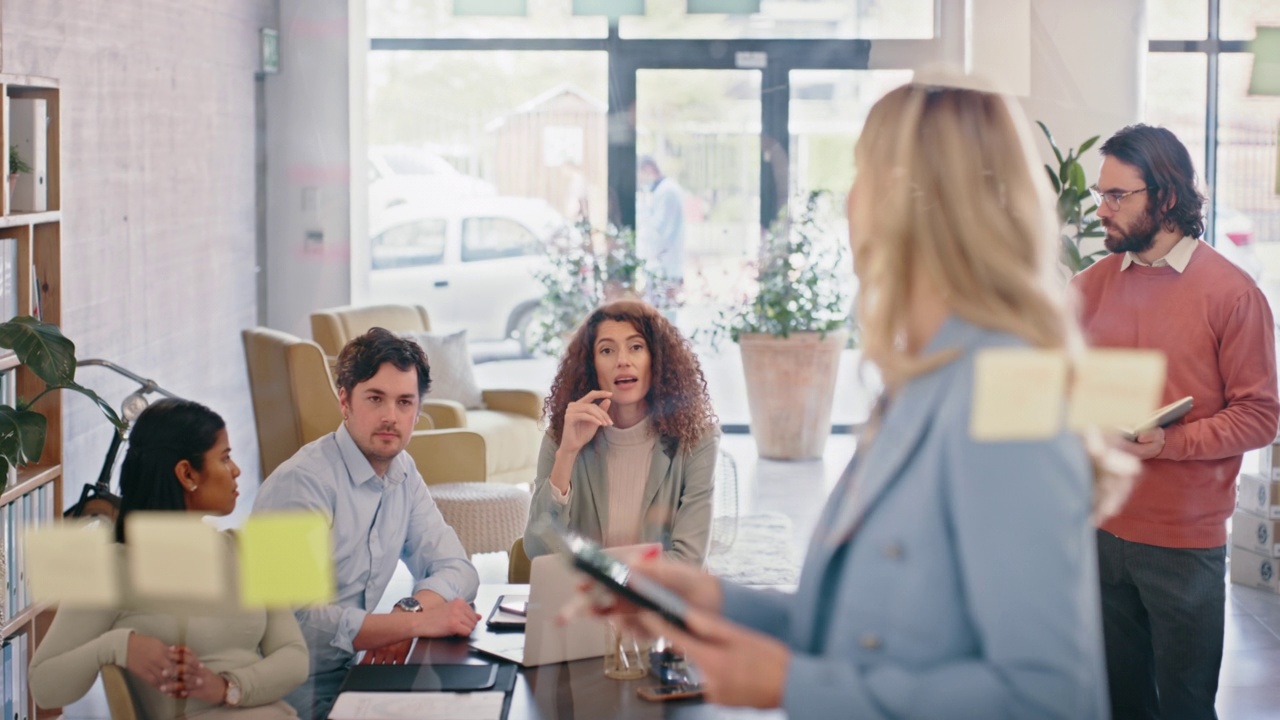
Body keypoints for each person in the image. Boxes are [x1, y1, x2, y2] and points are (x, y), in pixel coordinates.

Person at [591, 79, 1119, 718]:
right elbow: (867, 632)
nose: (848, 199)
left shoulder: (1004, 390)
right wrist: (710, 599)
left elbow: (1049, 698)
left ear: (908, 200)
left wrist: (793, 686)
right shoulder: (922, 383)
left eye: (861, 173)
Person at [1072, 124, 1280, 719]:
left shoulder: (1234, 296)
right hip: (1099, 530)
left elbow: (1260, 417)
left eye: (1117, 196)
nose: (1102, 210)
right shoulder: (1087, 287)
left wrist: (1168, 442)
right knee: (1120, 705)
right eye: (1099, 195)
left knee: (1186, 708)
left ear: (1164, 197)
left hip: (1182, 543)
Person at [253, 327, 480, 719]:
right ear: (345, 401)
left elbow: (458, 569)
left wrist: (406, 615)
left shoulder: (402, 471)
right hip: (290, 696)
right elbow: (296, 625)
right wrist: (407, 626)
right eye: (375, 398)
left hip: (358, 676)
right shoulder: (299, 484)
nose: (391, 417)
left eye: (405, 402)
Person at [30, 399, 308, 718]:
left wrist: (227, 687)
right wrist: (118, 646)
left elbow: (294, 656)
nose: (236, 470)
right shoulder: (114, 568)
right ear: (187, 474)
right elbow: (44, 686)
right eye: (225, 458)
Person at [523, 299, 719, 565]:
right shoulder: (562, 436)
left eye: (636, 347)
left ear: (657, 359)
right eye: (607, 351)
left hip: (662, 600)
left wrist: (610, 581)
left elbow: (688, 561)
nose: (622, 361)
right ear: (591, 366)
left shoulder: (697, 438)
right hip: (582, 601)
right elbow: (538, 551)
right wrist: (567, 453)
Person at [637, 156, 686, 298]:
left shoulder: (668, 192)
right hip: (662, 266)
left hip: (666, 266)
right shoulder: (663, 191)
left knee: (664, 314)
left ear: (649, 170)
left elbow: (660, 232)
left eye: (640, 176)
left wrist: (644, 211)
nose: (640, 182)